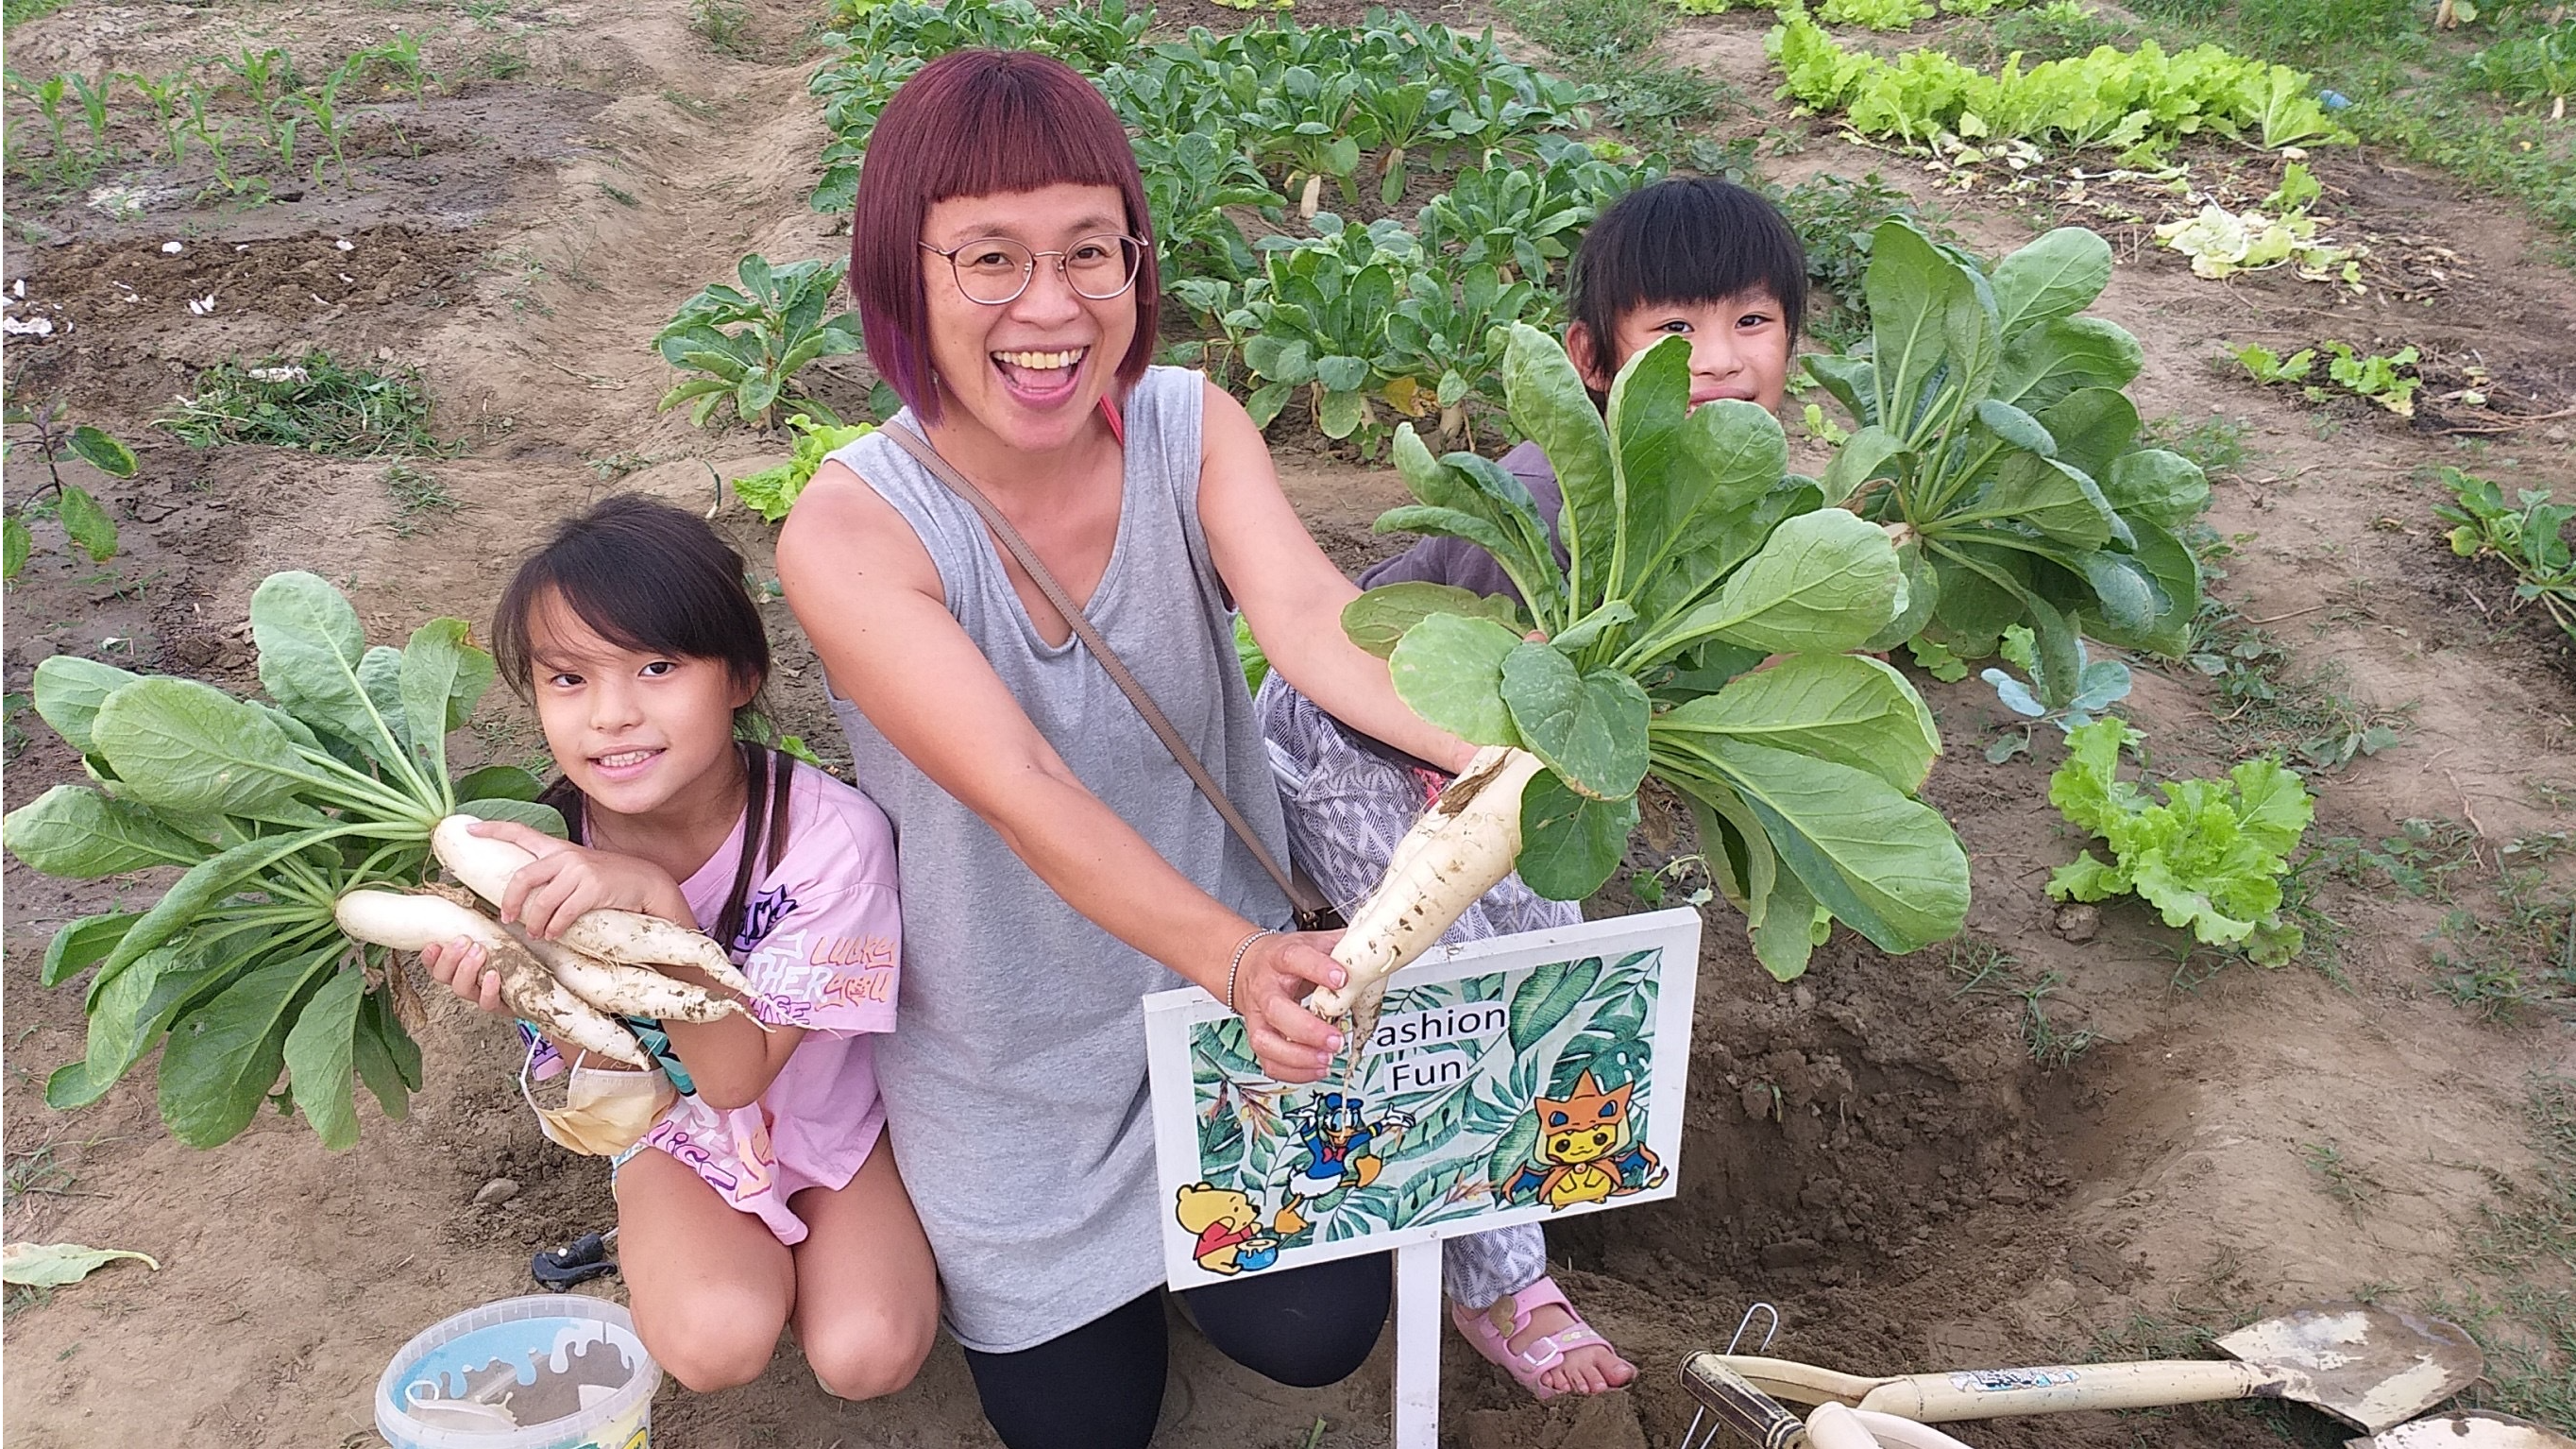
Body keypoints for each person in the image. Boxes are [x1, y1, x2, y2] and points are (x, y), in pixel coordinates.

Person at [775, 49, 1485, 1449]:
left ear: (1136, 261)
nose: (1051, 308)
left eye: (1089, 252)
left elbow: (1315, 623)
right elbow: (1023, 788)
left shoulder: (1187, 426)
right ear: (901, 273)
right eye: (990, 258)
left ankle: (1192, 1260)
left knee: (1315, 1333)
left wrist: (1506, 745)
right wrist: (1239, 952)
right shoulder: (851, 532)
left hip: (1226, 1016)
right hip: (1009, 1047)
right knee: (1083, 1429)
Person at [1259, 175, 1807, 1400]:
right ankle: (1497, 1280)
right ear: (1592, 359)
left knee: (1542, 957)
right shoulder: (1562, 502)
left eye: (1752, 321)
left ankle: (1513, 1204)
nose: (1721, 358)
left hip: (1489, 774)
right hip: (1348, 747)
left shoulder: (1741, 502)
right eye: (1676, 330)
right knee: (1478, 979)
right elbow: (1469, 701)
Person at [419, 495, 938, 1401]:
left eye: (657, 667)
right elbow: (613, 1074)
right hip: (672, 1129)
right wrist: (531, 997)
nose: (611, 715)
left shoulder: (831, 843)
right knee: (715, 1341)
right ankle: (676, 1230)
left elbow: (738, 1077)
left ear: (741, 675)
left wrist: (660, 908)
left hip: (828, 1117)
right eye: (568, 680)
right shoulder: (534, 853)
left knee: (868, 1353)